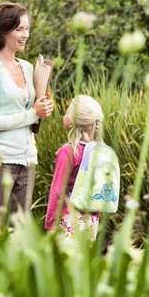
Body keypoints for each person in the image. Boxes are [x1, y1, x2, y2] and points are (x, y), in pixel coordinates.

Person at [0, 2, 54, 223]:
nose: (25, 34)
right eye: (19, 29)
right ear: (2, 31)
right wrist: (32, 114)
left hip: (27, 159)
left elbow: (31, 110)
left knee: (19, 236)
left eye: (27, 29)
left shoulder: (28, 67)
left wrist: (43, 108)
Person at [45, 95, 103, 241]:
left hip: (69, 219)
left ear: (71, 122)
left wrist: (50, 223)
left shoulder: (68, 152)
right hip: (91, 219)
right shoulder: (99, 152)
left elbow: (57, 190)